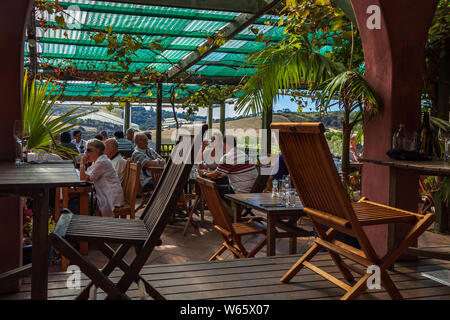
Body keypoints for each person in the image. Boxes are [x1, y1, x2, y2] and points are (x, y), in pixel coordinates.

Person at [79, 139, 125, 217]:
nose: (86, 153)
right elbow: (86, 176)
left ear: (97, 151)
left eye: (89, 150)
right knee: (82, 200)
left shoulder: (102, 162)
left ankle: (91, 224)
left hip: (110, 198)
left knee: (82, 201)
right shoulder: (100, 160)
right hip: (107, 194)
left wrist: (82, 163)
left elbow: (83, 179)